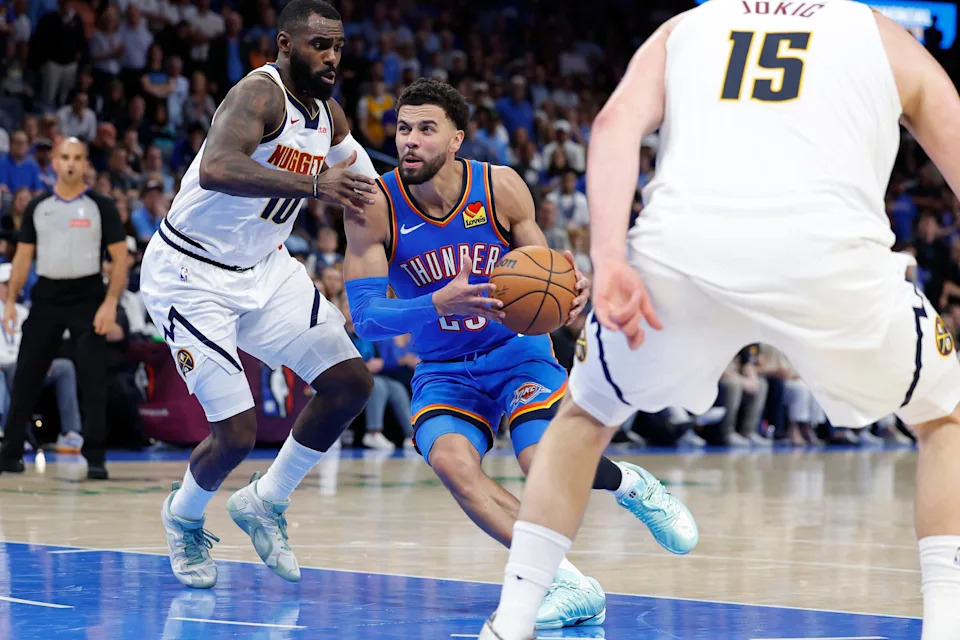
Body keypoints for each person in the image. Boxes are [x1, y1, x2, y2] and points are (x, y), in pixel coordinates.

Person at [481, 3, 960, 639]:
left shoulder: (685, 27)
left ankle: (510, 624)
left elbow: (616, 122)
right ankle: (946, 624)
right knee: (942, 419)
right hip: (828, 257)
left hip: (684, 253)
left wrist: (610, 256)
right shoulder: (878, 32)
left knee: (585, 419)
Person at [343, 78, 698, 630]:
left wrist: (570, 291)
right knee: (451, 463)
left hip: (517, 352)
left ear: (457, 138)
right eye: (404, 129)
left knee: (541, 462)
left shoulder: (500, 187)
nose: (410, 140)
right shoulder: (375, 206)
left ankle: (632, 486)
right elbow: (364, 317)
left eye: (426, 130)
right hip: (443, 370)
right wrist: (436, 303)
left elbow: (544, 270)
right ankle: (564, 584)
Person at [138, 0, 380, 590]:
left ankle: (266, 501)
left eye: (339, 46)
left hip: (264, 271)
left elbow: (370, 189)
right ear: (285, 44)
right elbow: (219, 166)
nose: (331, 56)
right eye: (320, 44)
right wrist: (314, 183)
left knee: (351, 382)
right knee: (237, 434)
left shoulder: (329, 118)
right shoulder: (259, 95)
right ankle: (184, 516)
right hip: (192, 276)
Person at [0, 138, 128, 480]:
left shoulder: (101, 205)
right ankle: (10, 452)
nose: (71, 164)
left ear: (85, 162)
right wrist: (10, 301)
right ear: (54, 162)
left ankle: (96, 455)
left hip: (88, 294)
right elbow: (23, 257)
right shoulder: (38, 206)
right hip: (47, 295)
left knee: (92, 376)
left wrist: (110, 302)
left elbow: (120, 259)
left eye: (77, 158)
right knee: (27, 372)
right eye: (65, 158)